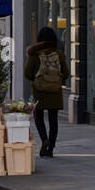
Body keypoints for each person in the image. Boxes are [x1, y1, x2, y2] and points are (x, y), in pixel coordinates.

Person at [25, 27, 69, 157]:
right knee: (53, 119)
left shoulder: (35, 55)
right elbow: (66, 73)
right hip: (55, 91)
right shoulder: (59, 54)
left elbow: (27, 74)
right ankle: (51, 148)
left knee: (38, 117)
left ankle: (44, 139)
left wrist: (37, 79)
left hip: (39, 91)